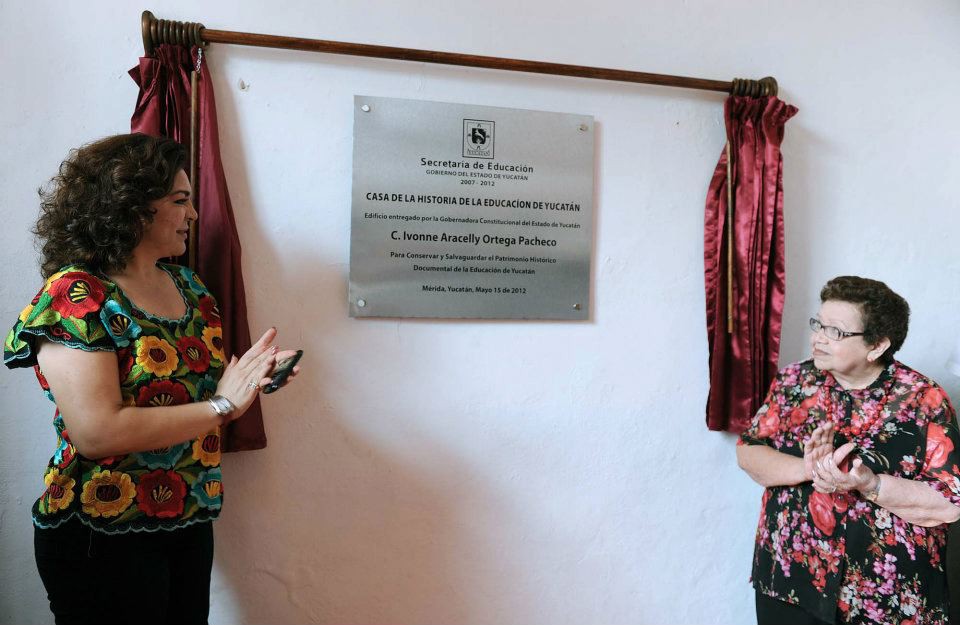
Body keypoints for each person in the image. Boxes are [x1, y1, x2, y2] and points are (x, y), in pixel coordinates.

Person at [3, 133, 300, 625]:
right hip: (101, 528)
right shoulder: (76, 295)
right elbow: (98, 432)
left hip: (188, 515)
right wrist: (223, 408)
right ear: (129, 206)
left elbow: (198, 389)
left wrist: (252, 378)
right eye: (179, 200)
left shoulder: (189, 287)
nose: (193, 214)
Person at [737, 276, 960, 625]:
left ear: (877, 346)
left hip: (885, 594)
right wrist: (809, 470)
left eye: (836, 332)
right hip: (789, 578)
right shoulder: (794, 382)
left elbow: (949, 503)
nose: (818, 338)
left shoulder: (923, 399)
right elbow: (748, 452)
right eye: (818, 324)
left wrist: (870, 484)